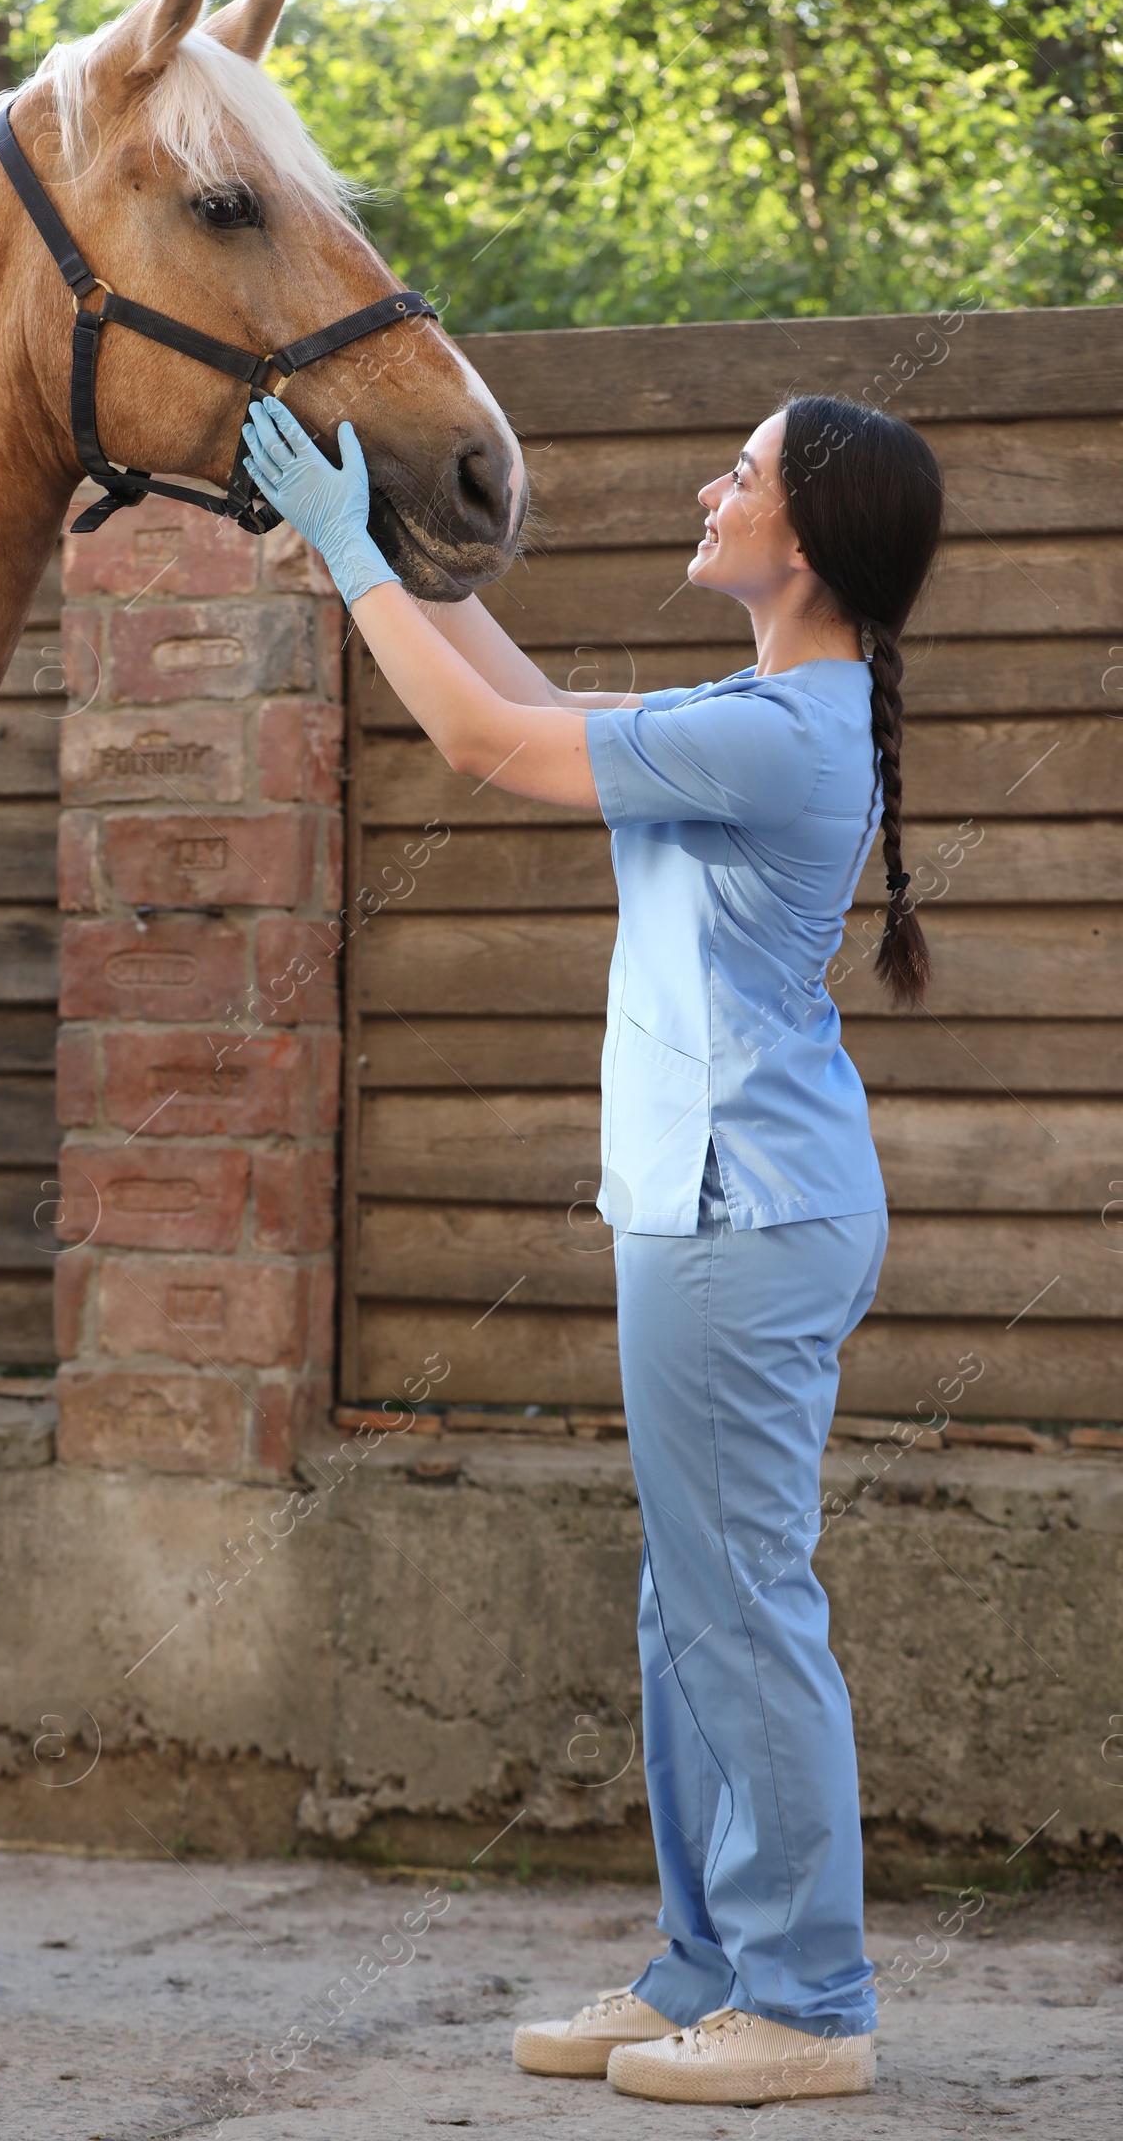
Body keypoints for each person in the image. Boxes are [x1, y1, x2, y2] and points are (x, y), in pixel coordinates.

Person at [242, 387, 943, 2108]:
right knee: (691, 1609)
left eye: (747, 475)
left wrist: (350, 568)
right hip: (724, 1210)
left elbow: (481, 748)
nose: (714, 486)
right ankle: (710, 1968)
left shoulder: (782, 734)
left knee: (743, 1607)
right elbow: (533, 706)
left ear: (809, 540)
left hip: (743, 1218)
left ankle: (809, 2002)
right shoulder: (759, 704)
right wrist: (411, 540)